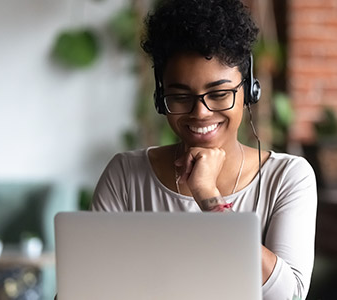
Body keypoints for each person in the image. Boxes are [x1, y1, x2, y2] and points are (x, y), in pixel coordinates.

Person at [91, 0, 317, 299]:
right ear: (161, 99)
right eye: (180, 96)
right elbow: (92, 284)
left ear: (249, 90)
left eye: (220, 94)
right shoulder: (126, 175)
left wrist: (209, 197)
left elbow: (287, 295)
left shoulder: (288, 177)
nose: (200, 112)